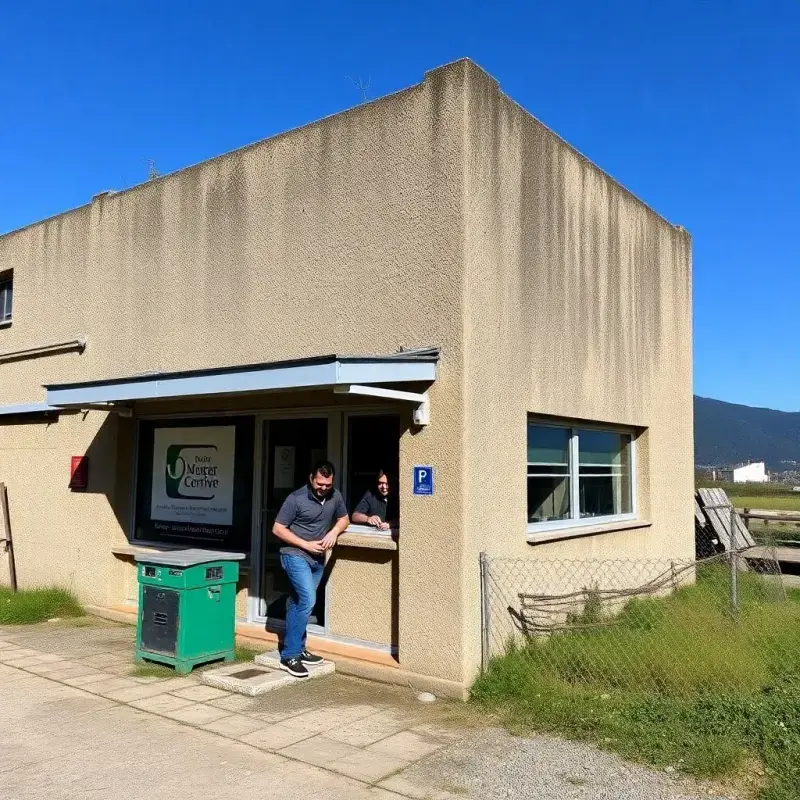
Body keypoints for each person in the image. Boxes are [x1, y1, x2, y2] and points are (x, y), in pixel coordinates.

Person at [271, 459, 349, 678]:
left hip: (317, 559)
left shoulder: (335, 496)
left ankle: (298, 647)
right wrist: (305, 544)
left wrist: (334, 532)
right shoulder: (296, 498)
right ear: (311, 478)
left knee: (298, 602)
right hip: (295, 554)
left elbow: (344, 518)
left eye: (327, 485)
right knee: (307, 600)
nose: (323, 488)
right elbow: (277, 528)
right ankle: (289, 656)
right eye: (319, 483)